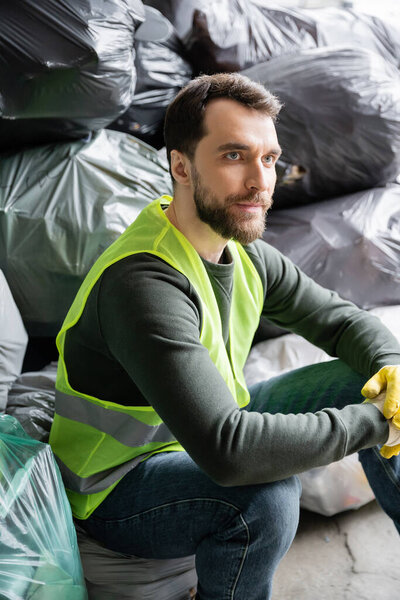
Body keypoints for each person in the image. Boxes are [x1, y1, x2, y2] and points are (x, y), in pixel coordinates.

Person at [49, 73, 400, 600]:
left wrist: (393, 375)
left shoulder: (242, 250)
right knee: (263, 495)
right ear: (181, 166)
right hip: (118, 486)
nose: (260, 182)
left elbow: (340, 320)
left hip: (196, 428)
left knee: (370, 379)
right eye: (234, 156)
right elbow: (230, 453)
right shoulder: (144, 283)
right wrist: (372, 423)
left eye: (269, 158)